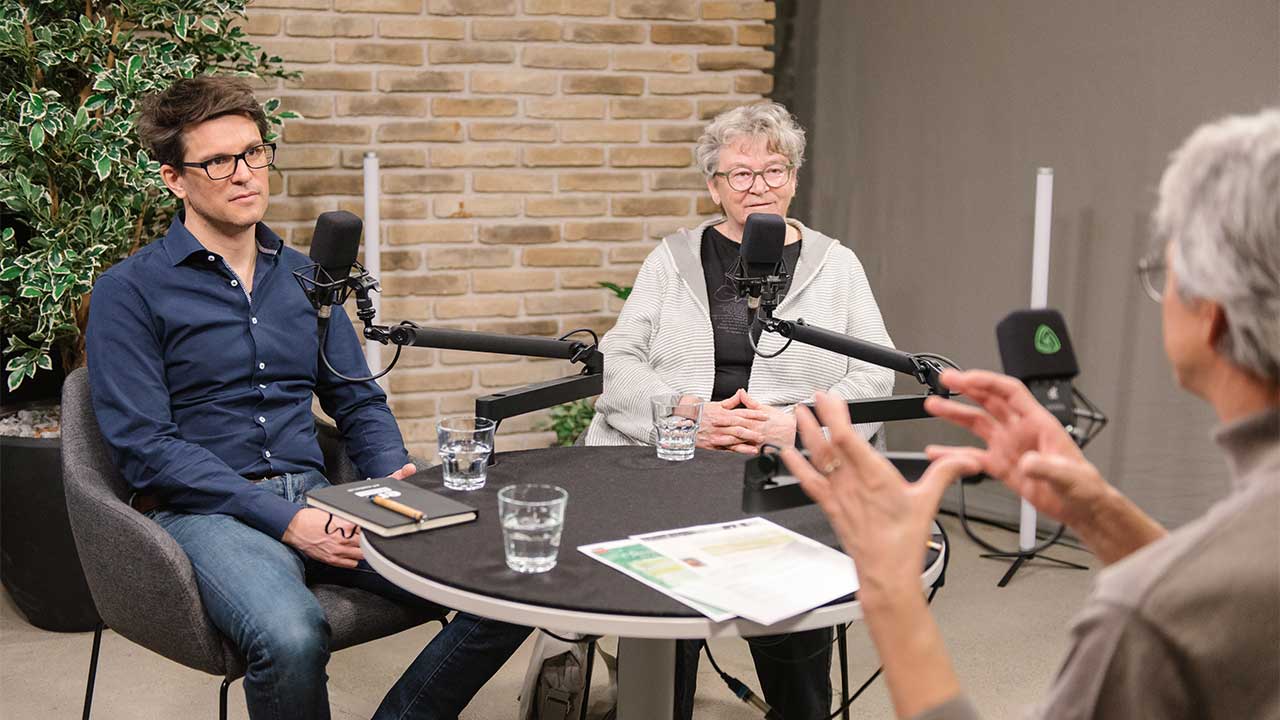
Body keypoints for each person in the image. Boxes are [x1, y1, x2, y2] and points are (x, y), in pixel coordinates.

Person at [782, 108, 1280, 720]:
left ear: (1213, 312)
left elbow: (1188, 606)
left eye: (1164, 277)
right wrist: (1096, 509)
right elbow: (1227, 610)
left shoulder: (1138, 620)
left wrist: (889, 588)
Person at [86, 76, 531, 720]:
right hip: (209, 509)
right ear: (174, 179)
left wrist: (388, 477)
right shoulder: (129, 291)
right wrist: (288, 522)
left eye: (254, 152)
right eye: (217, 161)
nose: (244, 175)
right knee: (290, 635)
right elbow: (145, 448)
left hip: (324, 495)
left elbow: (356, 401)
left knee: (510, 582)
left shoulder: (307, 277)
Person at [585, 101, 897, 719]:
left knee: (793, 630)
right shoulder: (672, 259)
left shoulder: (836, 264)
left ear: (795, 179)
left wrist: (797, 426)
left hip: (783, 470)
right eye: (740, 174)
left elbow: (875, 373)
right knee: (662, 627)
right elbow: (615, 361)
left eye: (774, 170)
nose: (759, 186)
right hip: (673, 461)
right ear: (714, 187)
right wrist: (682, 414)